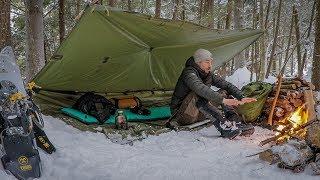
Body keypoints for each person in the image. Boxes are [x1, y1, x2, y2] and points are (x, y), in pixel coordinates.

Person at [170, 49, 256, 139]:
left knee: (224, 91)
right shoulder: (188, 73)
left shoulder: (208, 75)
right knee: (198, 94)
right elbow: (200, 88)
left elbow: (227, 85)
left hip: (197, 113)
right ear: (198, 62)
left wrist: (241, 96)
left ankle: (235, 123)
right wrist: (223, 100)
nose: (210, 65)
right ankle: (224, 127)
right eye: (207, 62)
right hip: (182, 116)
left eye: (211, 62)